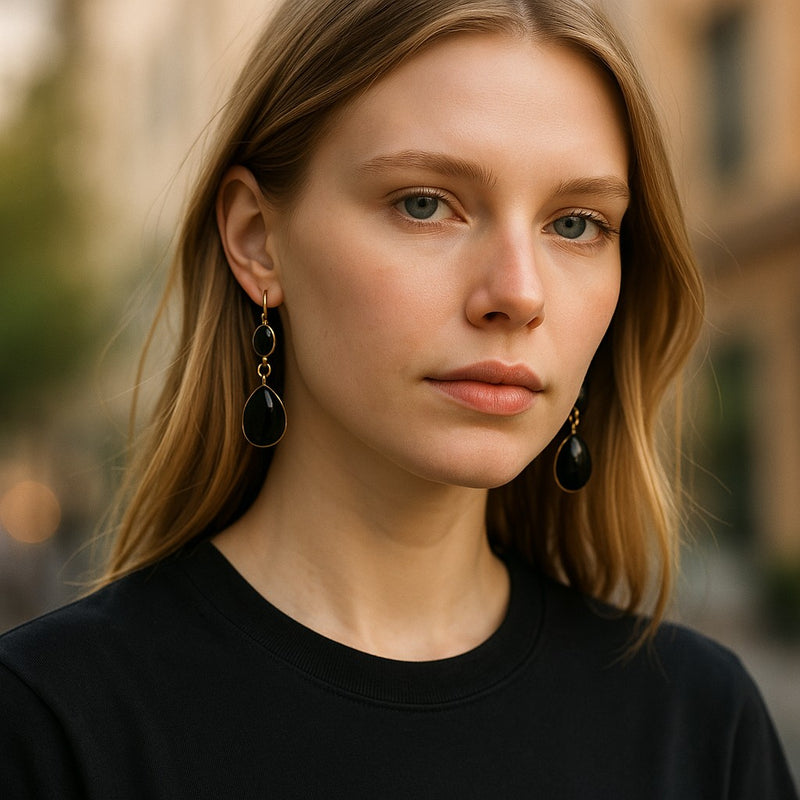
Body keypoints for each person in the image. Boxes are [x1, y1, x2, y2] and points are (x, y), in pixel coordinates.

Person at [1, 0, 797, 796]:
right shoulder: (48, 725)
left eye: (577, 224)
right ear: (256, 239)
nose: (519, 294)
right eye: (425, 203)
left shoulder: (701, 728)